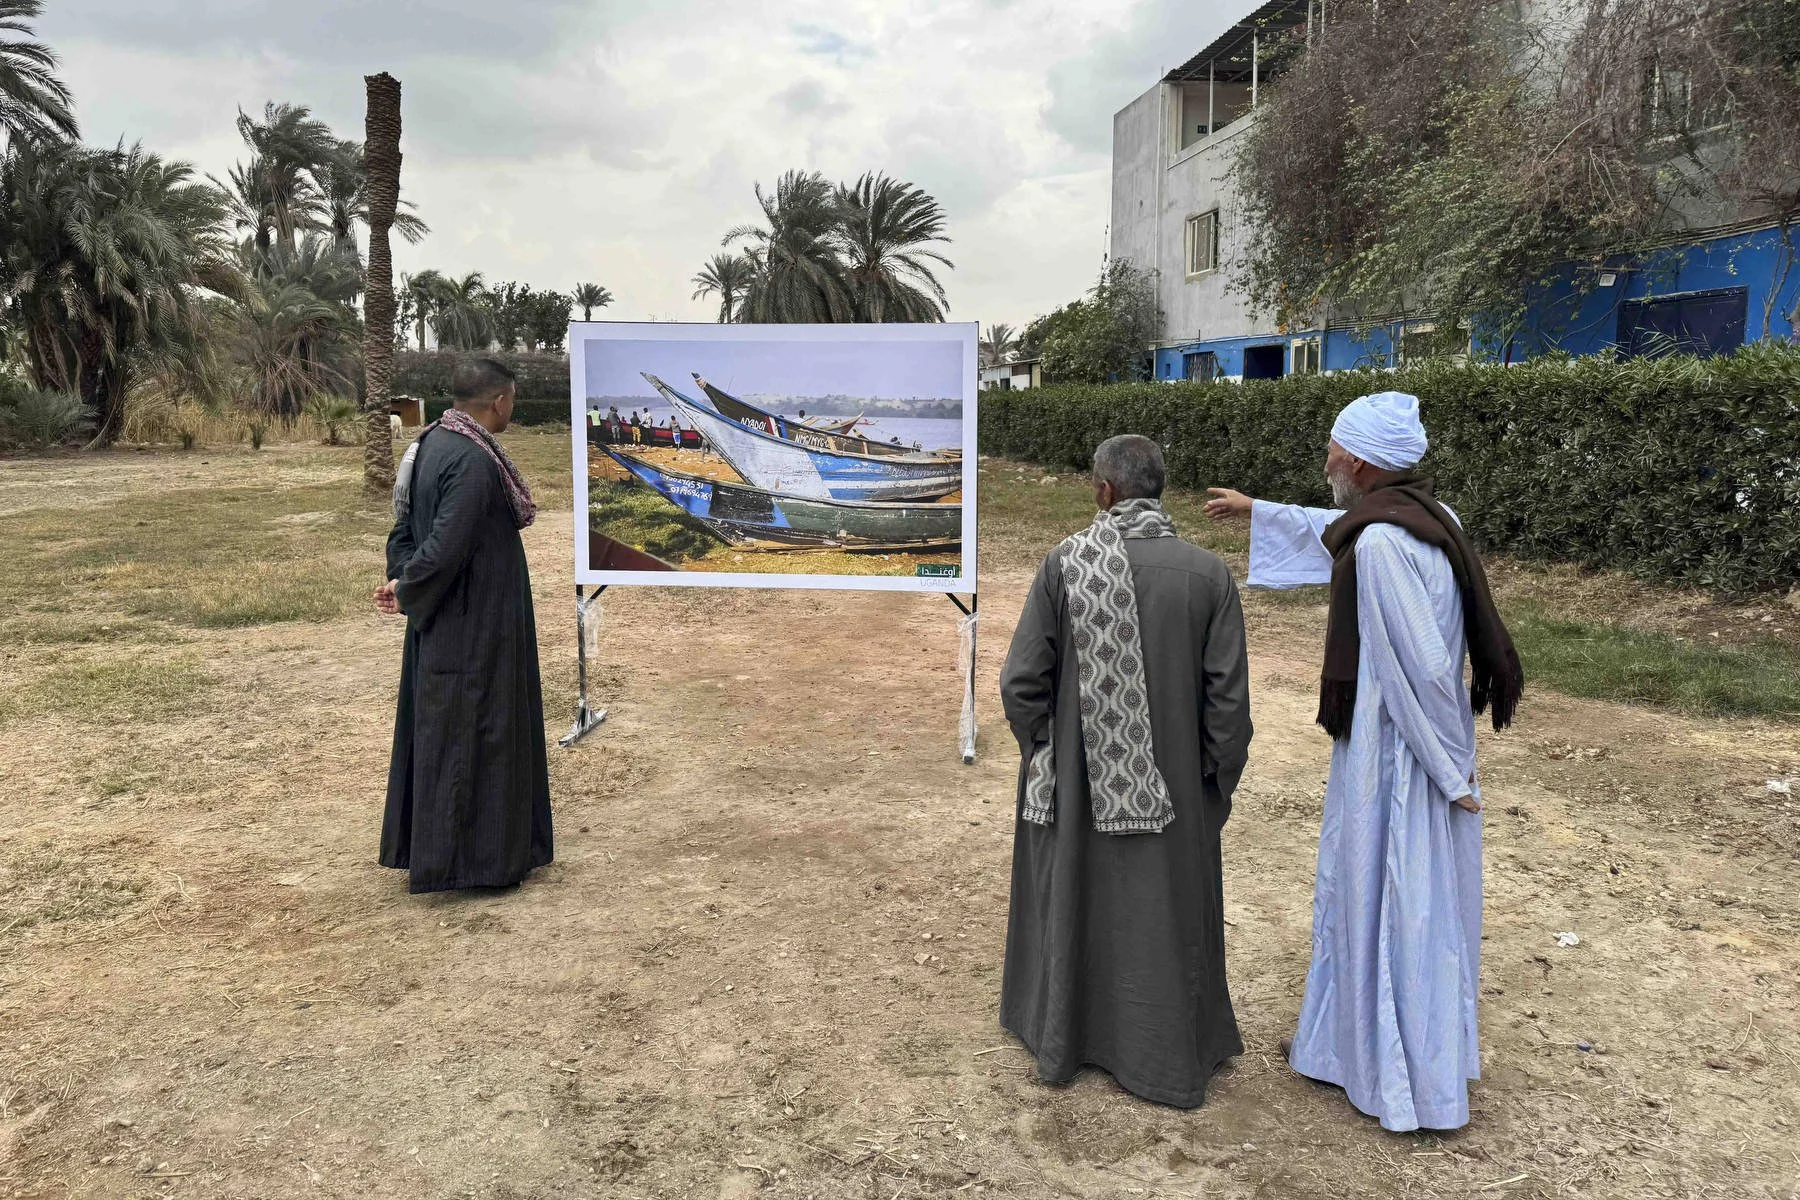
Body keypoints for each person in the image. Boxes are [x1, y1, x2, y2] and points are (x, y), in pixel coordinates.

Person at [1203, 390, 1524, 1132]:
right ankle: (1341, 1049)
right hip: (1398, 748)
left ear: (1358, 461)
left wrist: (1452, 771)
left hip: (1399, 758)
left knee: (1392, 899)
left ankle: (1401, 1079)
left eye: (1331, 451)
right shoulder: (1431, 518)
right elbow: (1342, 530)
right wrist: (1263, 511)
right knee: (1367, 896)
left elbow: (1422, 668)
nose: (1325, 462)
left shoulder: (1382, 545)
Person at [1000, 434, 1253, 1108]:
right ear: (1159, 490)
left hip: (1076, 794)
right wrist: (1209, 787)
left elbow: (1022, 683)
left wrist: (1054, 759)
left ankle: (1066, 1036)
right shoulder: (1208, 575)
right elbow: (1229, 714)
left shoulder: (1066, 564)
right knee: (1162, 919)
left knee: (1077, 902)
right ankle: (1164, 1052)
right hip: (1176, 796)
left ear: (1105, 492)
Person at [375, 357, 554, 894]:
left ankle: (454, 852)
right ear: (499, 401)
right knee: (478, 728)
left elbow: (403, 525)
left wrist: (403, 577)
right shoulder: (474, 460)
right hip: (476, 619)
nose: (512, 408)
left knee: (449, 725)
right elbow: (448, 542)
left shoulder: (428, 444)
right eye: (512, 400)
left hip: (454, 614)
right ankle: (474, 862)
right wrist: (408, 587)